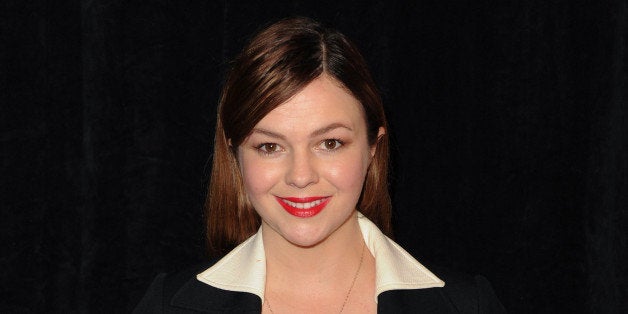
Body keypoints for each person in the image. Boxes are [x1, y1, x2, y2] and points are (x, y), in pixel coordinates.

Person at [134, 16, 506, 313]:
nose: (301, 176)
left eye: (330, 143)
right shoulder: (168, 305)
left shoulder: (465, 305)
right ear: (234, 154)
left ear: (373, 147)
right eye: (269, 146)